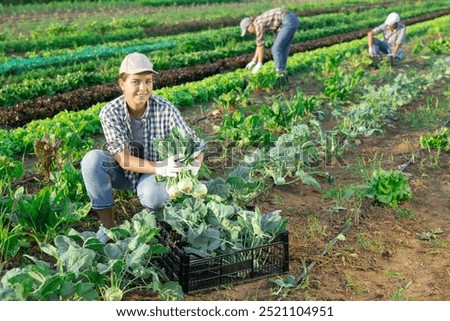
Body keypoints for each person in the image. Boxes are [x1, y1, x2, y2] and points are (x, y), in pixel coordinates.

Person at [81, 52, 205, 244]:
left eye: (148, 81)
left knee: (153, 195)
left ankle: (152, 223)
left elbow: (196, 145)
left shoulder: (166, 109)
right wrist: (161, 166)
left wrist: (193, 168)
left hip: (153, 176)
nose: (143, 88)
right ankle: (108, 228)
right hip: (124, 172)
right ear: (122, 84)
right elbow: (124, 160)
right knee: (92, 161)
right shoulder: (110, 113)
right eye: (136, 82)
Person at [240, 8, 299, 76]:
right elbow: (258, 45)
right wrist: (254, 61)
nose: (249, 33)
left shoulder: (257, 24)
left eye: (247, 31)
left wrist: (259, 63)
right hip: (292, 20)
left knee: (276, 49)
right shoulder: (258, 22)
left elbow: (261, 46)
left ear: (249, 25)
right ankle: (282, 72)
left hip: (287, 20)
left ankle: (279, 72)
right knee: (283, 48)